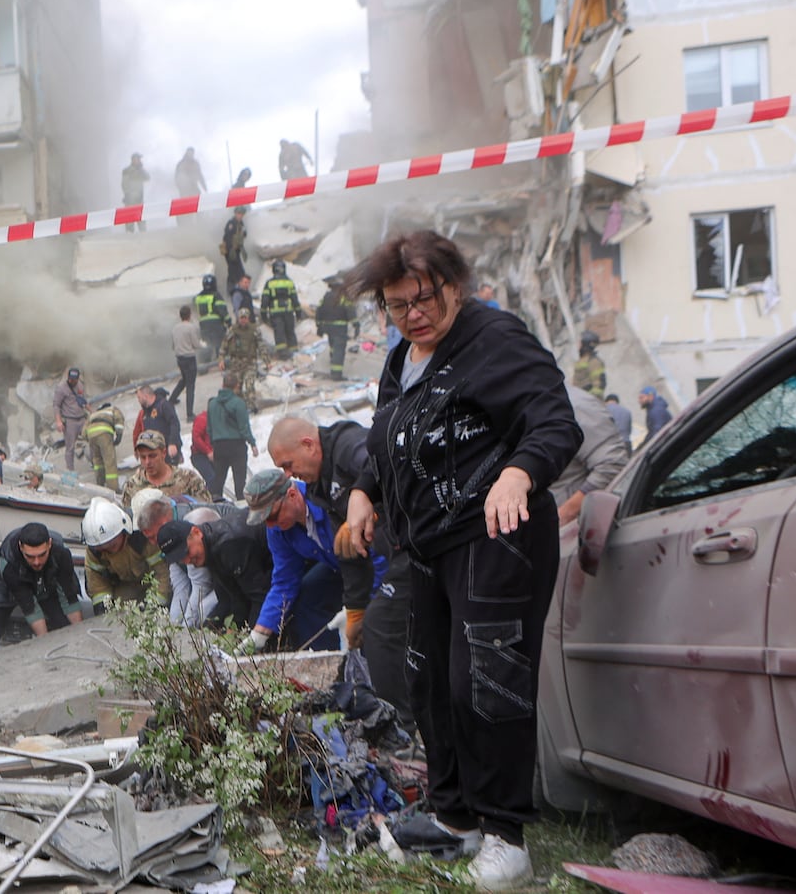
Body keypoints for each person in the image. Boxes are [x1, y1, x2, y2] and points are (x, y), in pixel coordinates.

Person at [341, 230, 581, 890]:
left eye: (425, 298)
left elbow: (554, 421)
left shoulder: (494, 340)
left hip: (495, 538)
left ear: (455, 285)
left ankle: (507, 837)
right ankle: (456, 820)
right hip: (430, 547)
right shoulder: (404, 358)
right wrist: (365, 490)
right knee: (432, 685)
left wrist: (520, 474)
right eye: (397, 304)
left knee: (487, 685)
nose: (414, 313)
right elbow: (388, 435)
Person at [267, 416, 413, 732]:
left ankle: (404, 727)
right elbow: (349, 555)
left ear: (308, 444)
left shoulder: (347, 446)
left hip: (419, 543)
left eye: (288, 465)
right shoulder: (319, 487)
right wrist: (356, 608)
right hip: (398, 551)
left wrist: (369, 505)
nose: (289, 475)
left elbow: (391, 466)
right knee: (370, 629)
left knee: (383, 628)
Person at [242, 469, 346, 652]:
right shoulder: (277, 529)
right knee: (306, 596)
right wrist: (259, 633)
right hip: (334, 564)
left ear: (292, 495)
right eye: (264, 520)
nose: (270, 525)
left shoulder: (326, 501)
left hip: (367, 561)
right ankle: (331, 656)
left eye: (272, 516)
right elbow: (285, 580)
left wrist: (357, 606)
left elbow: (373, 554)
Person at [133, 490, 243, 628]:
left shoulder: (188, 527)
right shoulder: (169, 535)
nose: (154, 543)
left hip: (238, 568)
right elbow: (181, 586)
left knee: (204, 612)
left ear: (163, 522)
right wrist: (173, 626)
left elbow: (201, 585)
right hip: (221, 574)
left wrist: (186, 628)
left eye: (153, 537)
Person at [155, 513, 271, 629]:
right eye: (180, 559)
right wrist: (208, 631)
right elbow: (229, 599)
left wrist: (250, 640)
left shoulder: (228, 545)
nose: (187, 560)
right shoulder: (209, 550)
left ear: (196, 532)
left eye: (187, 552)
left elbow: (259, 596)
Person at [0, 523, 85, 637]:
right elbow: (30, 607)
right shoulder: (9, 563)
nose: (37, 562)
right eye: (30, 556)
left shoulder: (61, 553)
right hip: (6, 585)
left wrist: (80, 637)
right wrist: (43, 644)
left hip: (45, 581)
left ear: (50, 544)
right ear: (21, 547)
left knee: (63, 623)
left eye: (42, 555)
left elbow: (69, 598)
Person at [551, 384, 632, 526]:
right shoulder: (526, 407)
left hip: (576, 530)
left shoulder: (571, 405)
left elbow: (613, 463)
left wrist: (564, 515)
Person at [82, 498, 172, 609]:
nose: (109, 551)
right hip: (124, 584)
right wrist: (104, 609)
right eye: (102, 548)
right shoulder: (94, 550)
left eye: (112, 545)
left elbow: (162, 573)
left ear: (124, 531)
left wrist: (155, 606)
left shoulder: (142, 538)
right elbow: (96, 584)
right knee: (123, 611)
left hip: (153, 583)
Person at [120, 430, 210, 516]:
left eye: (152, 456)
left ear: (164, 453)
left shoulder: (189, 479)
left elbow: (207, 511)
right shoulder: (132, 486)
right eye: (143, 457)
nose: (147, 462)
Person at [207, 373, 259, 499]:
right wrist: (252, 443)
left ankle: (217, 503)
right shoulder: (238, 403)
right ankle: (241, 504)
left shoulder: (212, 404)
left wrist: (213, 445)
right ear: (237, 386)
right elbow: (244, 427)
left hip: (219, 445)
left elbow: (209, 429)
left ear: (222, 385)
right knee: (239, 480)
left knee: (219, 479)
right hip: (236, 446)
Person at [219, 312, 264, 411]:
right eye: (241, 318)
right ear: (238, 319)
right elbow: (224, 345)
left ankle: (252, 406)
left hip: (250, 363)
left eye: (245, 318)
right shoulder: (233, 330)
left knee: (249, 385)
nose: (243, 320)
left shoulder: (254, 330)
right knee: (236, 388)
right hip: (236, 364)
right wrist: (221, 359)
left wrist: (267, 361)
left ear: (248, 318)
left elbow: (261, 346)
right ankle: (240, 408)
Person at [315, 275, 356, 381]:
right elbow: (350, 311)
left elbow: (319, 310)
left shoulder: (326, 296)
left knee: (333, 346)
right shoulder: (343, 297)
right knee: (339, 350)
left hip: (327, 326)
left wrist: (319, 325)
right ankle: (336, 374)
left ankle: (332, 365)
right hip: (339, 327)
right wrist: (356, 325)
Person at [168, 305, 202, 421]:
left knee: (184, 379)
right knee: (190, 385)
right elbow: (196, 344)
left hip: (180, 358)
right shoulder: (191, 328)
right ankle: (189, 414)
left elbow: (173, 345)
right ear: (189, 315)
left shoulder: (175, 328)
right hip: (189, 358)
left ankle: (172, 400)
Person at [134, 385, 183, 465]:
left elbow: (174, 423)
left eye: (139, 397)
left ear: (146, 396)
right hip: (155, 450)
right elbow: (140, 432)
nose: (138, 400)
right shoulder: (145, 411)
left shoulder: (163, 405)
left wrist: (172, 443)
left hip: (168, 449)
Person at [261, 261, 302, 356]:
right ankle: (294, 353)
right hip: (288, 311)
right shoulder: (289, 282)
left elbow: (265, 301)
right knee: (290, 332)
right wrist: (299, 313)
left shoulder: (270, 283)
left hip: (275, 314)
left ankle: (283, 354)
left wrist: (264, 315)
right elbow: (295, 299)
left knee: (279, 334)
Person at [83, 402, 127, 491]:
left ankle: (100, 485)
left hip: (91, 435)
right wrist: (119, 436)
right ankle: (113, 488)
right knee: (109, 461)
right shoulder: (113, 409)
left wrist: (89, 439)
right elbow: (119, 420)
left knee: (97, 461)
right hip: (104, 433)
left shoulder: (94, 414)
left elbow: (84, 432)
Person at [54, 367, 89, 472]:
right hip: (70, 421)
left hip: (81, 418)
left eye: (74, 379)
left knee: (90, 440)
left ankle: (93, 461)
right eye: (70, 379)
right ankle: (70, 469)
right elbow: (56, 405)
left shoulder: (80, 385)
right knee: (70, 447)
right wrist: (59, 421)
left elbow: (83, 400)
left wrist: (92, 412)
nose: (72, 381)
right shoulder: (61, 388)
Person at [194, 274, 230, 358]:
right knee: (220, 343)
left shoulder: (198, 297)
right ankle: (222, 361)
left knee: (206, 343)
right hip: (216, 324)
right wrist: (229, 321)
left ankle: (204, 363)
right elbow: (222, 310)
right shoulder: (216, 295)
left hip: (203, 325)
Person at [189, 411, 218, 492]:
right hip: (199, 455)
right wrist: (208, 451)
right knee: (211, 478)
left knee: (217, 479)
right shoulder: (202, 419)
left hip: (214, 454)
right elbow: (196, 437)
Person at [220, 205, 249, 287]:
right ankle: (232, 289)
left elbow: (243, 235)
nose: (240, 215)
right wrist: (231, 250)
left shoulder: (241, 224)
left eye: (242, 214)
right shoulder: (231, 223)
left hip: (236, 250)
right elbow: (228, 237)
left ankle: (238, 287)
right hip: (230, 251)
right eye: (239, 213)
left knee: (237, 271)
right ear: (235, 213)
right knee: (234, 271)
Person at [573, 331, 607, 398]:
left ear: (585, 344)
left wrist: (590, 400)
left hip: (589, 403)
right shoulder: (581, 360)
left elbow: (598, 386)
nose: (578, 345)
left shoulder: (594, 362)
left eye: (580, 342)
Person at [121, 153, 149, 232]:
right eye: (138, 159)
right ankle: (130, 240)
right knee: (129, 223)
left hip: (139, 199)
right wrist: (128, 195)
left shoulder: (140, 171)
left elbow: (147, 178)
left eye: (140, 159)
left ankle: (144, 239)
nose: (140, 160)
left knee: (142, 222)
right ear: (133, 160)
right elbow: (124, 185)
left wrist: (141, 169)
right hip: (130, 200)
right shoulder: (127, 171)